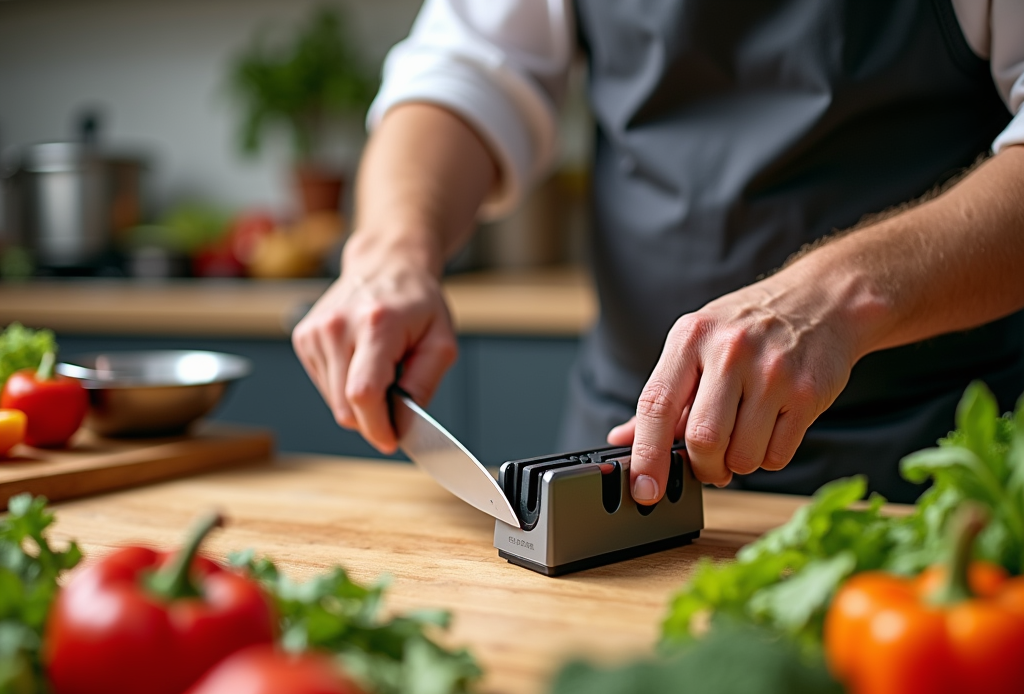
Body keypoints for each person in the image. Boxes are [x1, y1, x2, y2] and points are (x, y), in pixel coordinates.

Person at [293, 0, 1024, 504]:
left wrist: (840, 293)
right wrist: (390, 249)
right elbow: (467, 67)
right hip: (630, 453)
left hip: (934, 459)